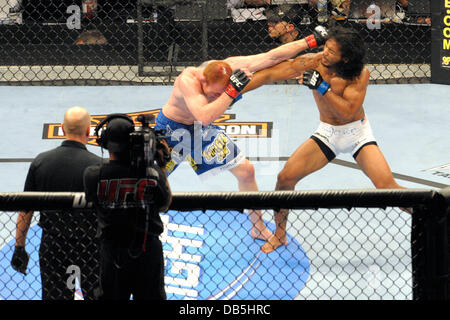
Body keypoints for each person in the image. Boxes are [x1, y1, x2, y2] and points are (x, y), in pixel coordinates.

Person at [154, 25, 329, 242]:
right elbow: (204, 115)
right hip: (172, 132)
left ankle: (257, 226)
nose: (219, 97)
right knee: (154, 183)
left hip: (201, 132)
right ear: (204, 81)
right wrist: (230, 92)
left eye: (222, 92)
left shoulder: (230, 66)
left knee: (246, 171)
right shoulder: (188, 81)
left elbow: (271, 56)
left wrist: (310, 41)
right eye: (216, 93)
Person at [240, 25, 406, 253]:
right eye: (325, 47)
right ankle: (280, 235)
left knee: (388, 187)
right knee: (285, 178)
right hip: (328, 133)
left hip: (357, 134)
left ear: (345, 59)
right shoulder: (314, 62)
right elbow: (271, 73)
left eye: (331, 51)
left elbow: (347, 112)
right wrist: (235, 90)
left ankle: (433, 217)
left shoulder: (360, 74)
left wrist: (322, 87)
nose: (324, 53)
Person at [11, 106, 102, 300]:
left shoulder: (41, 162)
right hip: (91, 246)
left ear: (62, 128)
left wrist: (19, 247)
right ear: (88, 131)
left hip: (54, 245)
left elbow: (26, 208)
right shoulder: (98, 167)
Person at [83, 114, 172, 300]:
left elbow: (94, 201)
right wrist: (161, 165)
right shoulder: (152, 173)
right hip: (147, 249)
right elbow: (164, 204)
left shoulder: (93, 174)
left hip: (112, 252)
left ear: (105, 143)